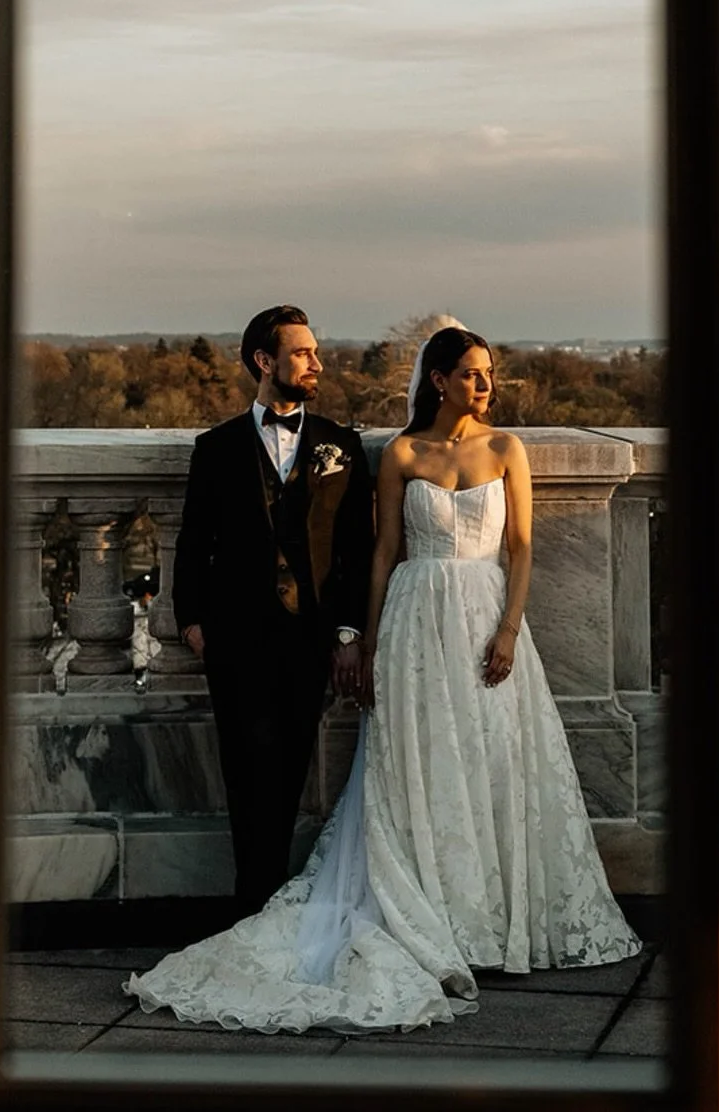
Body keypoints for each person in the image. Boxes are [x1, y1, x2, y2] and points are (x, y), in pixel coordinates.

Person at [127, 321, 641, 1033]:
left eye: (489, 372)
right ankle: (295, 906)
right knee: (412, 767)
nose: (485, 384)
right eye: (471, 372)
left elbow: (521, 546)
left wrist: (509, 628)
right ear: (438, 379)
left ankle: (495, 915)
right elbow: (379, 553)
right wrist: (365, 639)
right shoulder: (395, 452)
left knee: (496, 761)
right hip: (409, 623)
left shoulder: (503, 448)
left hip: (483, 615)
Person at [172, 305, 375, 919]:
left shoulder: (343, 446)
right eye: (303, 353)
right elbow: (192, 541)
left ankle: (270, 908)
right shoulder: (217, 448)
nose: (317, 363)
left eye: (315, 352)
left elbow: (358, 551)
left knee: (288, 772)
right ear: (266, 362)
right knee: (243, 773)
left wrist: (348, 633)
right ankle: (250, 908)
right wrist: (192, 623)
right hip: (234, 637)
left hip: (310, 638)